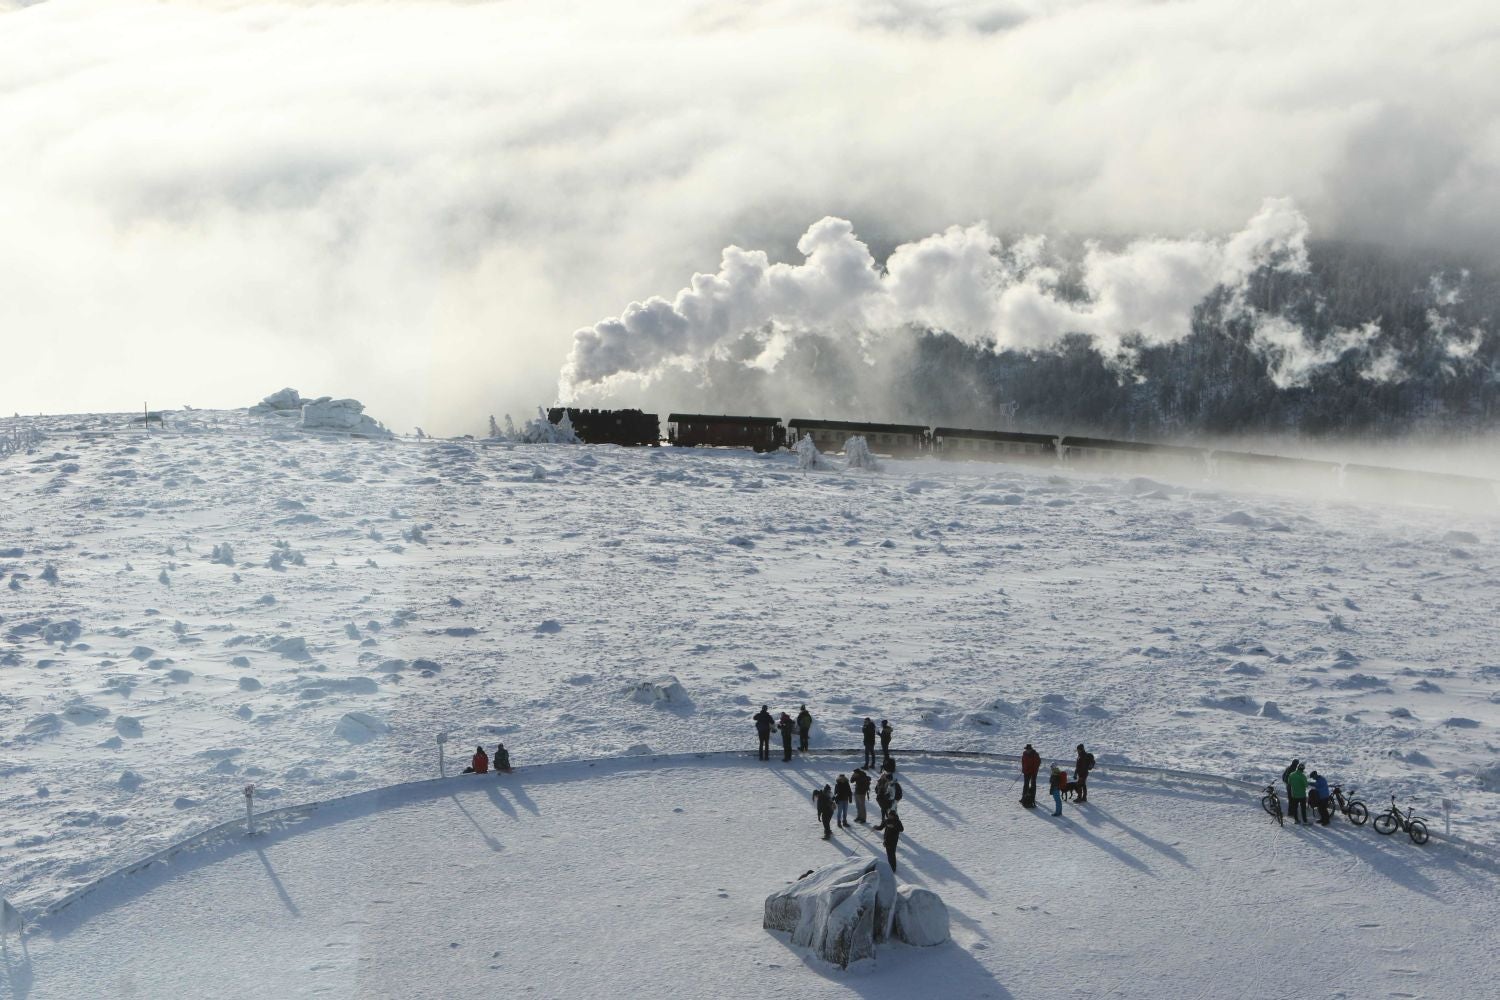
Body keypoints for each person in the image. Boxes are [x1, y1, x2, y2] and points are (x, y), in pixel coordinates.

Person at [882, 808, 905, 873]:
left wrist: (894, 826)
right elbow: (881, 826)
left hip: (893, 841)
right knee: (889, 855)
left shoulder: (897, 821)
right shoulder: (887, 821)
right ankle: (890, 867)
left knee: (892, 855)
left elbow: (901, 829)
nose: (889, 816)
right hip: (886, 840)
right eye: (889, 815)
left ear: (894, 816)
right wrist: (876, 827)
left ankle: (893, 868)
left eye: (891, 815)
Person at [1020, 743, 1041, 807]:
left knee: (1033, 785)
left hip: (1033, 772)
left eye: (1028, 749)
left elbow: (1037, 764)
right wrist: (1023, 769)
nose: (1027, 750)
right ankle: (1023, 798)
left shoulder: (1035, 755)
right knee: (1025, 785)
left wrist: (1032, 771)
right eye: (1026, 749)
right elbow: (1023, 762)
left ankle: (1032, 798)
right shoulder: (1024, 754)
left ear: (1031, 749)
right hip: (1026, 772)